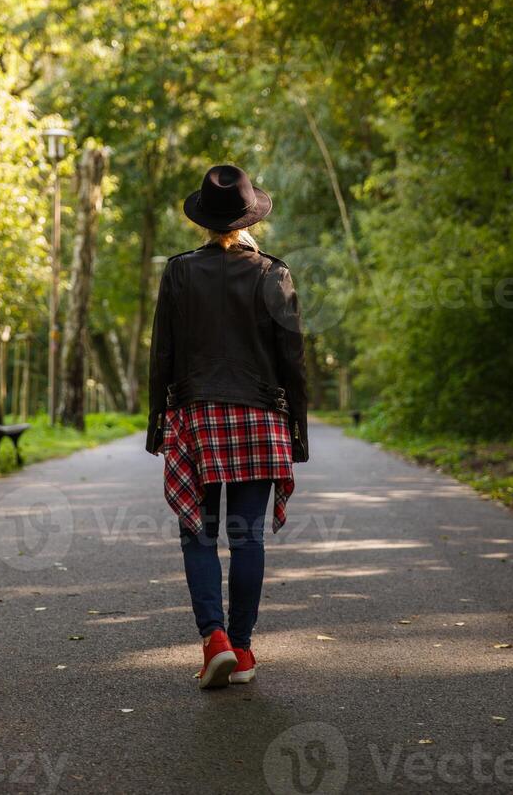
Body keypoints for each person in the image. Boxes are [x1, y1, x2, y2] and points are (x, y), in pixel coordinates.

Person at [146, 164, 309, 688]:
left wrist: (158, 424)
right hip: (260, 417)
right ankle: (240, 650)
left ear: (204, 221)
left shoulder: (179, 272)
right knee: (247, 537)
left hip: (197, 416)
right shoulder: (273, 272)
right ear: (248, 217)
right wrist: (298, 432)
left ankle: (212, 637)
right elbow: (292, 360)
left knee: (197, 532)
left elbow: (162, 354)